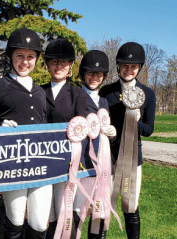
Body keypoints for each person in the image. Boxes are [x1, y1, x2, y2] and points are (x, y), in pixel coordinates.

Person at [0, 27, 50, 239]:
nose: (25, 61)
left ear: (37, 59)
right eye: (20, 56)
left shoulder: (41, 90)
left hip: (41, 163)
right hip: (13, 164)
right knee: (14, 219)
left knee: (40, 222)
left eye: (30, 56)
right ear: (11, 56)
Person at [99, 42, 156, 239]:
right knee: (104, 201)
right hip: (108, 155)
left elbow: (149, 130)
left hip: (133, 158)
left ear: (139, 68)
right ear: (118, 66)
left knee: (131, 205)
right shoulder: (106, 92)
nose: (128, 70)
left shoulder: (148, 94)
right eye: (124, 66)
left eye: (133, 67)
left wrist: (137, 122)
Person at [42, 38, 89, 239]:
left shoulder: (77, 94)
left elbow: (82, 128)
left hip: (67, 160)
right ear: (47, 65)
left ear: (70, 66)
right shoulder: (38, 91)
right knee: (47, 211)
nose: (59, 66)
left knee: (65, 207)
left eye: (64, 63)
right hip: (42, 159)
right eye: (54, 62)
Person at [73, 50, 117, 239]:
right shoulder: (75, 96)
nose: (94, 77)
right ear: (83, 74)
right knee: (77, 211)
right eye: (90, 73)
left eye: (98, 74)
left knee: (99, 211)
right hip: (82, 162)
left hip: (103, 163)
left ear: (104, 77)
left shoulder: (105, 101)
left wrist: (112, 134)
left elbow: (103, 129)